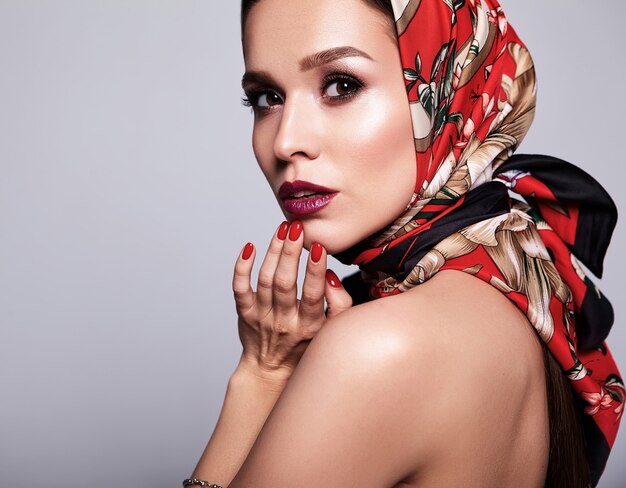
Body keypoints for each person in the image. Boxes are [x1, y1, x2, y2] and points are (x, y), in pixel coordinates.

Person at [186, 1, 623, 486]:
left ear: (448, 87)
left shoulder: (381, 347)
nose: (286, 142)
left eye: (341, 86)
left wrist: (260, 376)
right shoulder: (512, 290)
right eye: (267, 98)